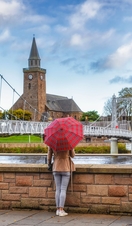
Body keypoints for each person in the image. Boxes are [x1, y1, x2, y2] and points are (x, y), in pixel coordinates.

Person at [47, 147, 75, 217]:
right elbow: (73, 155)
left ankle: (57, 210)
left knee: (58, 189)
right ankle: (61, 209)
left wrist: (49, 164)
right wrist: (72, 148)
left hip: (56, 167)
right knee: (63, 189)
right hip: (66, 167)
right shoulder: (68, 143)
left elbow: (49, 156)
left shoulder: (52, 143)